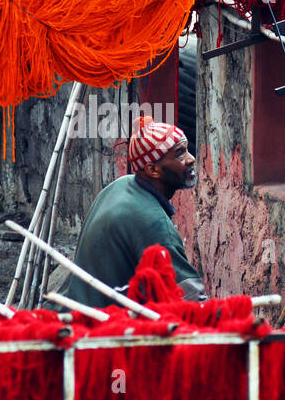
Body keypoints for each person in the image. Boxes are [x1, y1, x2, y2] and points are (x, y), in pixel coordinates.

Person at [58, 114, 206, 308]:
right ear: (153, 170)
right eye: (179, 153)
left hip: (71, 308)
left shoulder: (121, 186)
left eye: (187, 151)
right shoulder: (153, 223)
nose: (191, 159)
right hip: (95, 326)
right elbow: (191, 302)